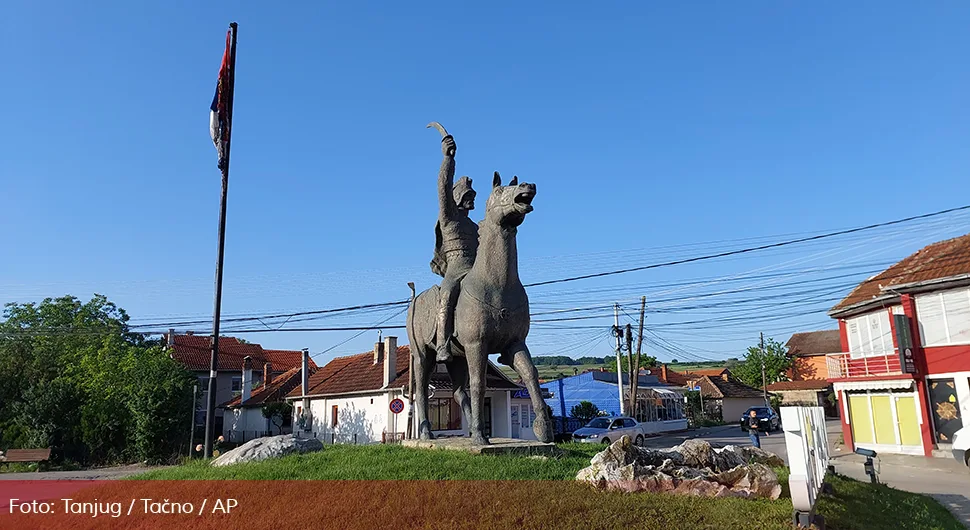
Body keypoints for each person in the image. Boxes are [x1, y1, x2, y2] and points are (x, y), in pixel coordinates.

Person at [430, 134, 479, 363]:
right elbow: (443, 186)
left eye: (473, 195)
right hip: (456, 269)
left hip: (477, 270)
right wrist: (447, 158)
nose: (472, 199)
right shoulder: (448, 218)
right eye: (468, 195)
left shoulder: (474, 226)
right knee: (447, 294)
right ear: (457, 197)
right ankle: (442, 343)